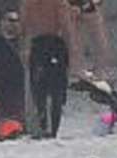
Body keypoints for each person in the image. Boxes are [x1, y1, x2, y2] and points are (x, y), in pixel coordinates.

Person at [21, 0, 73, 137]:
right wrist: (71, 53)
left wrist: (25, 48)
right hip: (54, 45)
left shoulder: (30, 4)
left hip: (40, 45)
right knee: (56, 90)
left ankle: (43, 121)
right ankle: (52, 127)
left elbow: (24, 27)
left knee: (40, 89)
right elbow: (66, 28)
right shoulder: (59, 4)